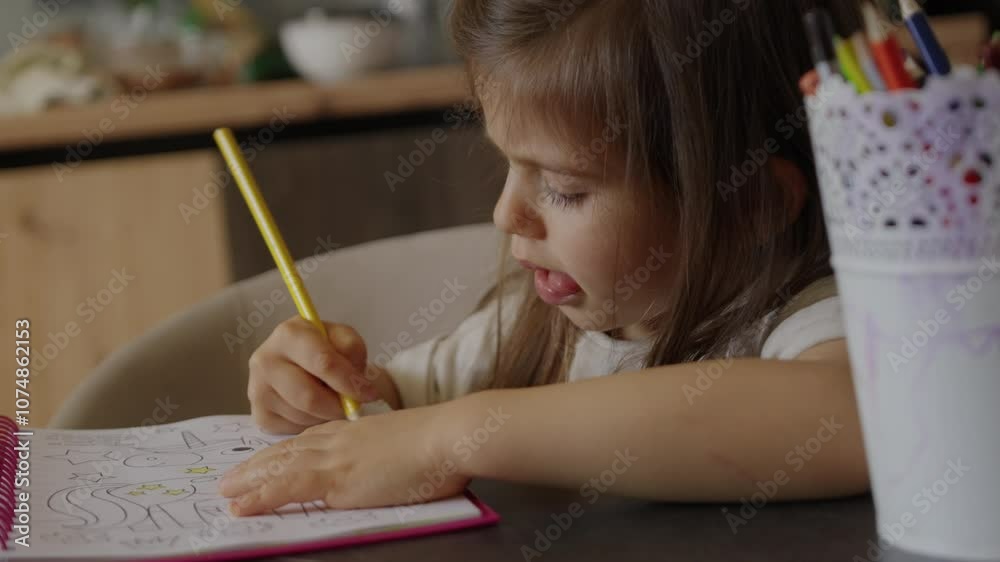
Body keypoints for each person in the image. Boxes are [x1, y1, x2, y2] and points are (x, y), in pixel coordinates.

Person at [219, 0, 870, 515]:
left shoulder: (812, 322)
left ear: (747, 204)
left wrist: (458, 436)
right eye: (508, 165)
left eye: (563, 187)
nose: (507, 215)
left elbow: (845, 414)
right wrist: (321, 394)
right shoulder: (519, 337)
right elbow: (390, 418)